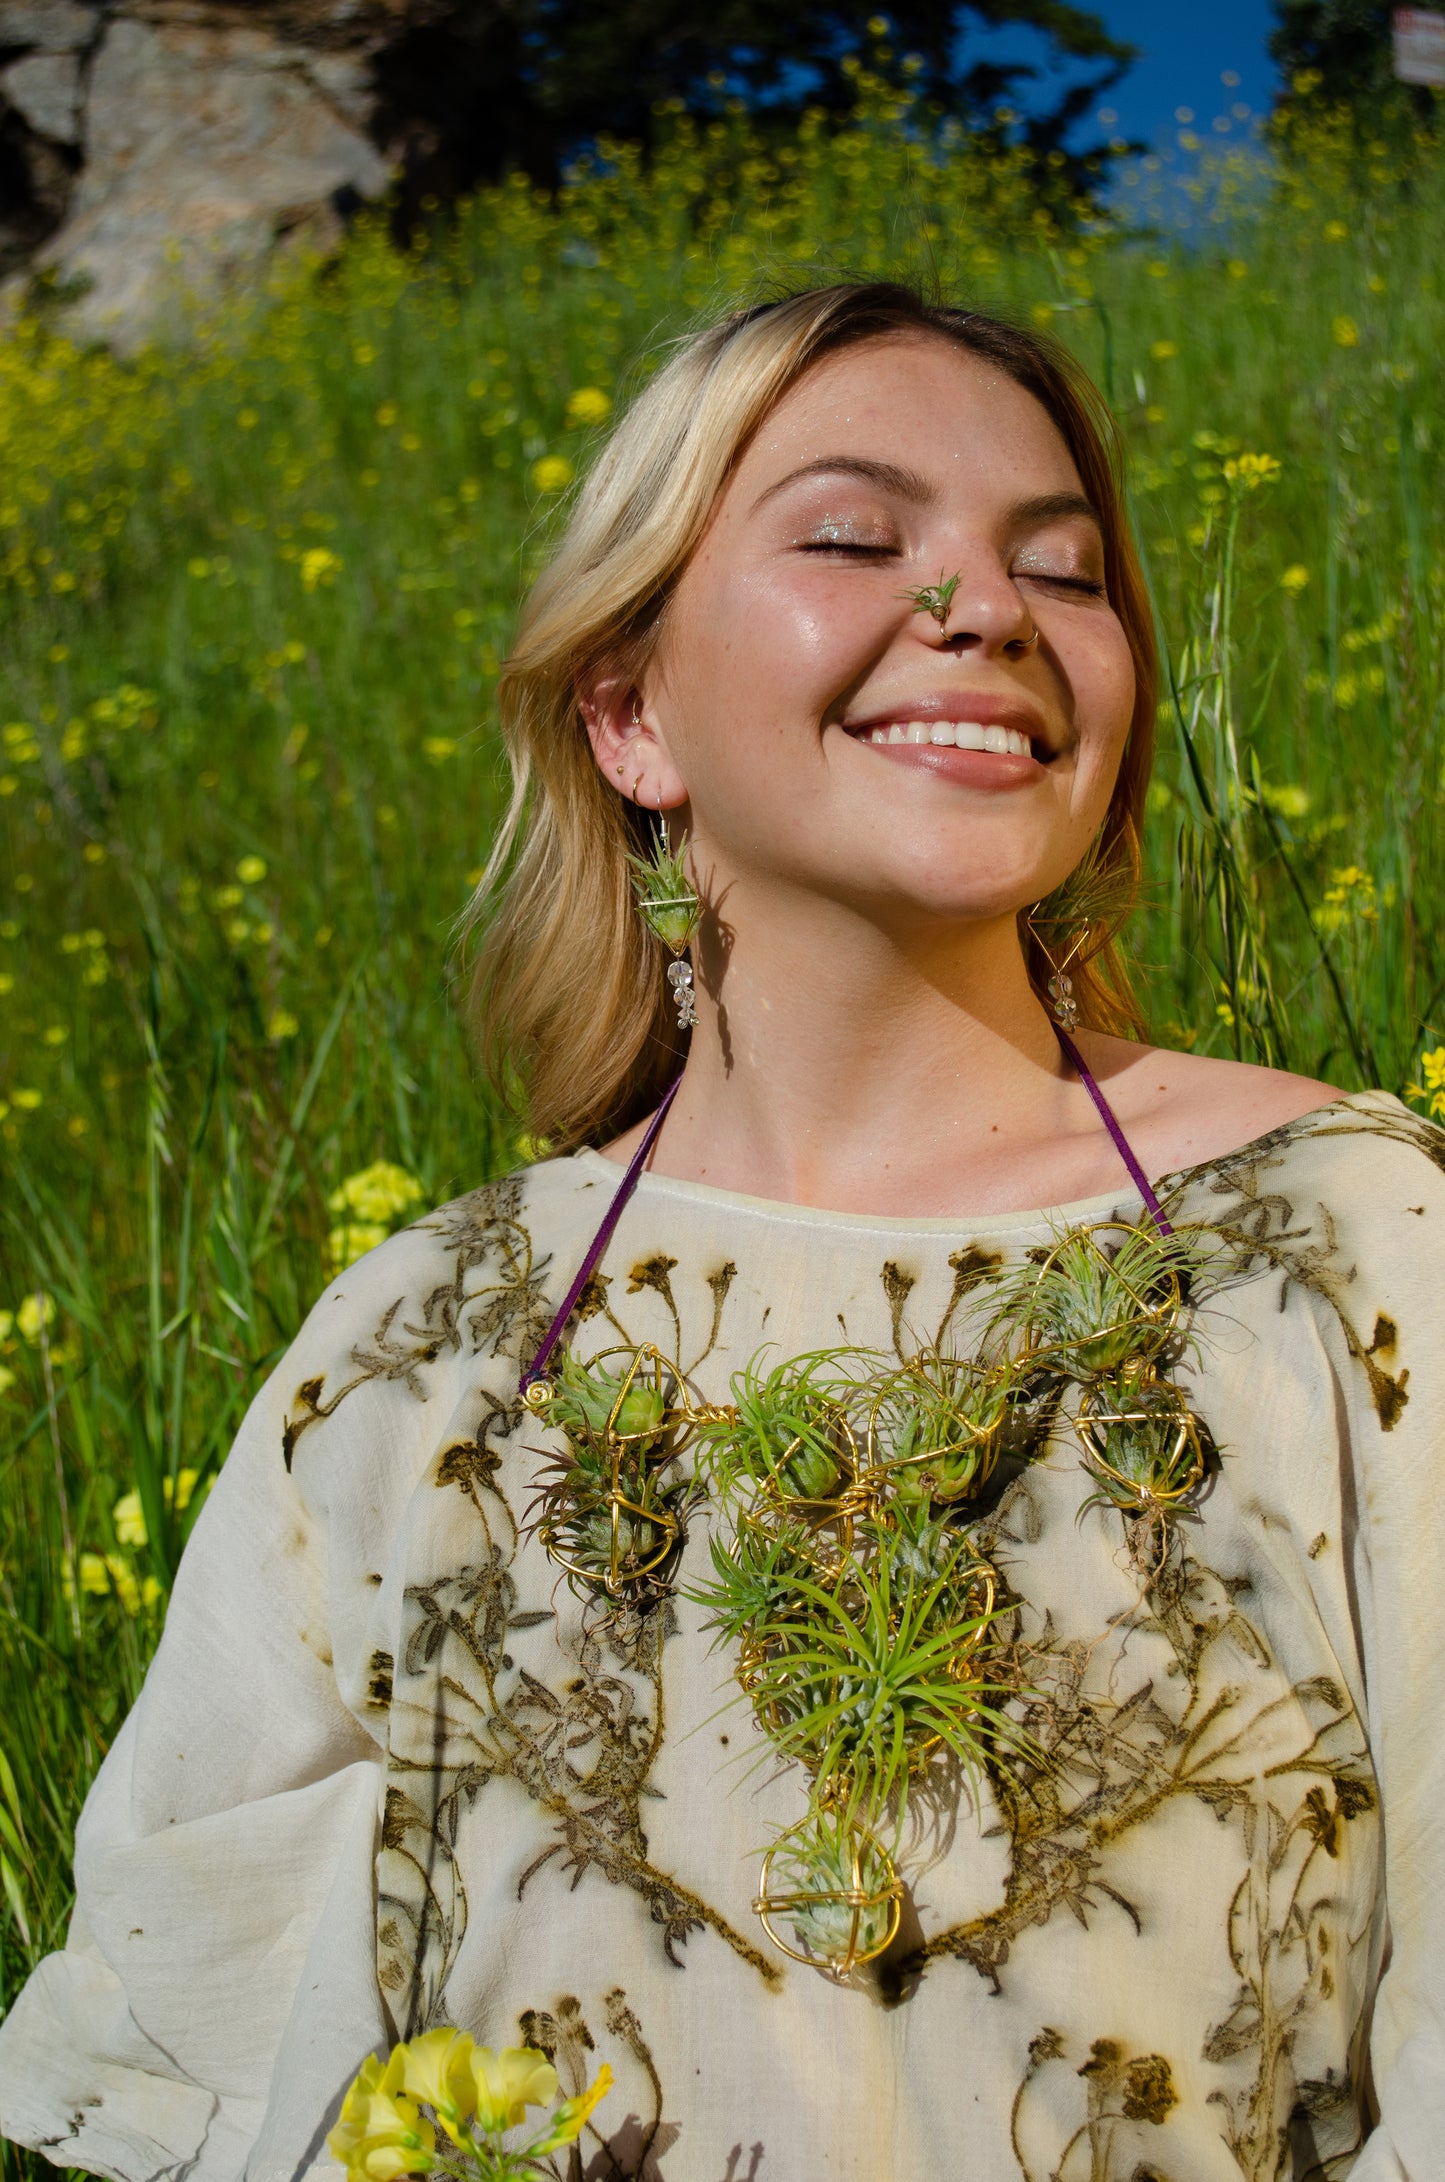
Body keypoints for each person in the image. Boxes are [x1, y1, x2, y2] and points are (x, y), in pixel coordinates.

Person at [1, 280, 1441, 2182]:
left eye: (1067, 569)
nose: (983, 608)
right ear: (627, 713)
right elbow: (196, 2016)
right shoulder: (432, 1334)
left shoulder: (1349, 1249)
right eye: (854, 536)